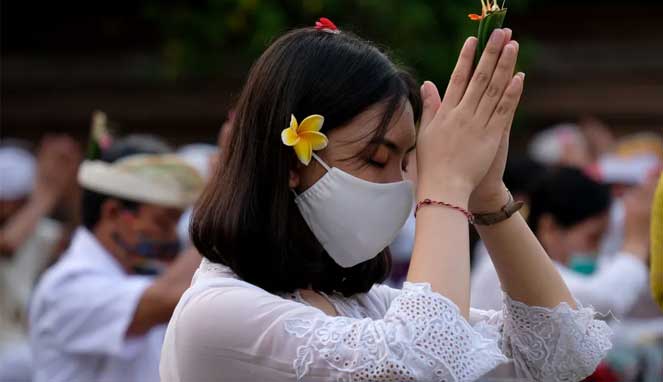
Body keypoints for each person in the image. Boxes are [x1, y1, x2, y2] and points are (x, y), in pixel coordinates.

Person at [160, 22, 612, 381]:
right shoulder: (216, 313)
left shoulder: (359, 303)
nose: (400, 185)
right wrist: (447, 186)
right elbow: (426, 366)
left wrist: (488, 197)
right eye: (376, 158)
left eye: (407, 163)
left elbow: (561, 355)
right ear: (290, 166)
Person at [29, 152, 204, 382]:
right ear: (112, 212)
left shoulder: (137, 275)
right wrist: (226, 201)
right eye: (163, 221)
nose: (172, 235)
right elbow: (171, 297)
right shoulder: (67, 284)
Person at [471, 166, 653, 318]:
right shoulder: (501, 268)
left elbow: (637, 302)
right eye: (592, 237)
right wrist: (636, 242)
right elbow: (604, 301)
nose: (596, 251)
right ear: (550, 227)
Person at [0, 137, 81, 382]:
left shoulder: (38, 230)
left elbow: (78, 238)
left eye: (12, 200)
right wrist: (47, 192)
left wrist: (72, 186)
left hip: (25, 349)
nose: (5, 208)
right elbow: (8, 244)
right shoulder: (29, 218)